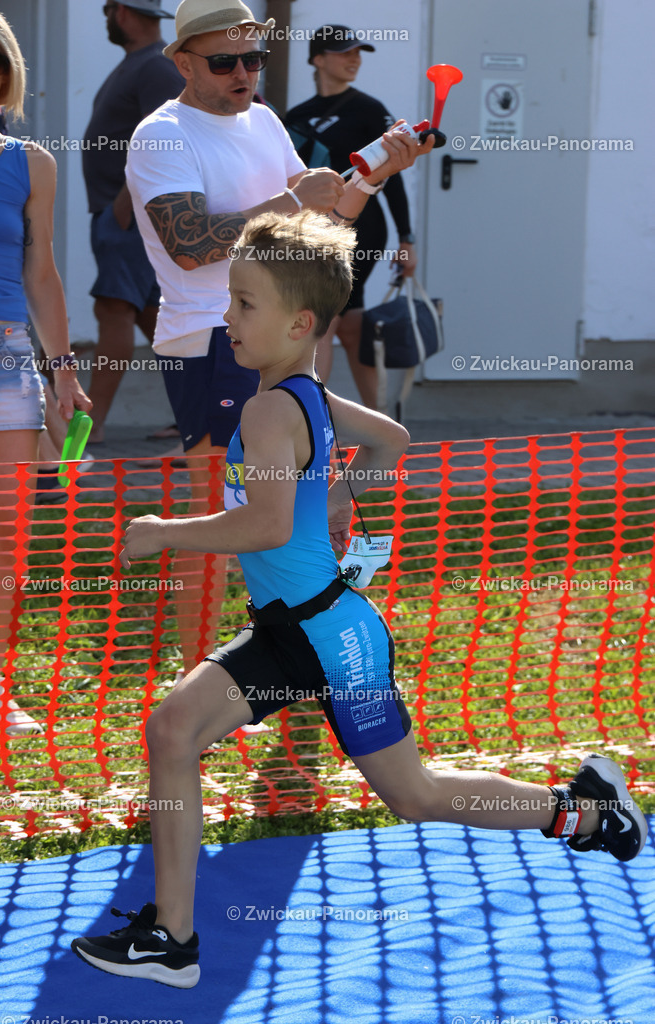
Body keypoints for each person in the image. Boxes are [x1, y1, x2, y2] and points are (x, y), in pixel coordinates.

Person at [71, 210, 647, 988]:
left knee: (415, 795)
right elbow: (393, 442)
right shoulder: (305, 392)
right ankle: (172, 937)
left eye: (244, 304)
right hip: (298, 629)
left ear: (299, 321)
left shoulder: (271, 407)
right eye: (229, 298)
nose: (226, 317)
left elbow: (268, 524)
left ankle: (582, 811)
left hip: (331, 639)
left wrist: (163, 533)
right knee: (174, 730)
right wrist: (343, 492)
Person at [124, 0, 432, 675]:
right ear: (182, 62)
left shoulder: (262, 119)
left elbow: (318, 227)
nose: (243, 73)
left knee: (332, 486)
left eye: (254, 59)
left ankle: (305, 650)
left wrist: (370, 179)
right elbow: (187, 244)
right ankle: (198, 679)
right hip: (215, 339)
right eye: (224, 61)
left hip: (290, 340)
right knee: (222, 518)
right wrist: (295, 201)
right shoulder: (162, 133)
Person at [0, 1, 91, 733]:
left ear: (7, 72)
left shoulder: (32, 163)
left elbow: (42, 274)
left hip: (1, 357)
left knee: (3, 534)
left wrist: (65, 372)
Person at [285, 25, 418, 406]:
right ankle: (376, 422)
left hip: (362, 233)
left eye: (359, 52)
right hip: (311, 232)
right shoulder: (295, 116)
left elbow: (391, 180)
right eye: (344, 52)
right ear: (318, 59)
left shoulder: (370, 110)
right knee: (354, 326)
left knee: (323, 322)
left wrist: (407, 240)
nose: (354, 58)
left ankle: (310, 421)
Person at [83, 0, 184, 444]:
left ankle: (90, 425)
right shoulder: (140, 64)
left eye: (107, 9)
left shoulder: (155, 68)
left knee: (112, 309)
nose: (106, 17)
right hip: (119, 215)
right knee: (156, 321)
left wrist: (125, 206)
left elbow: (164, 139)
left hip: (128, 217)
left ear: (121, 11)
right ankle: (200, 413)